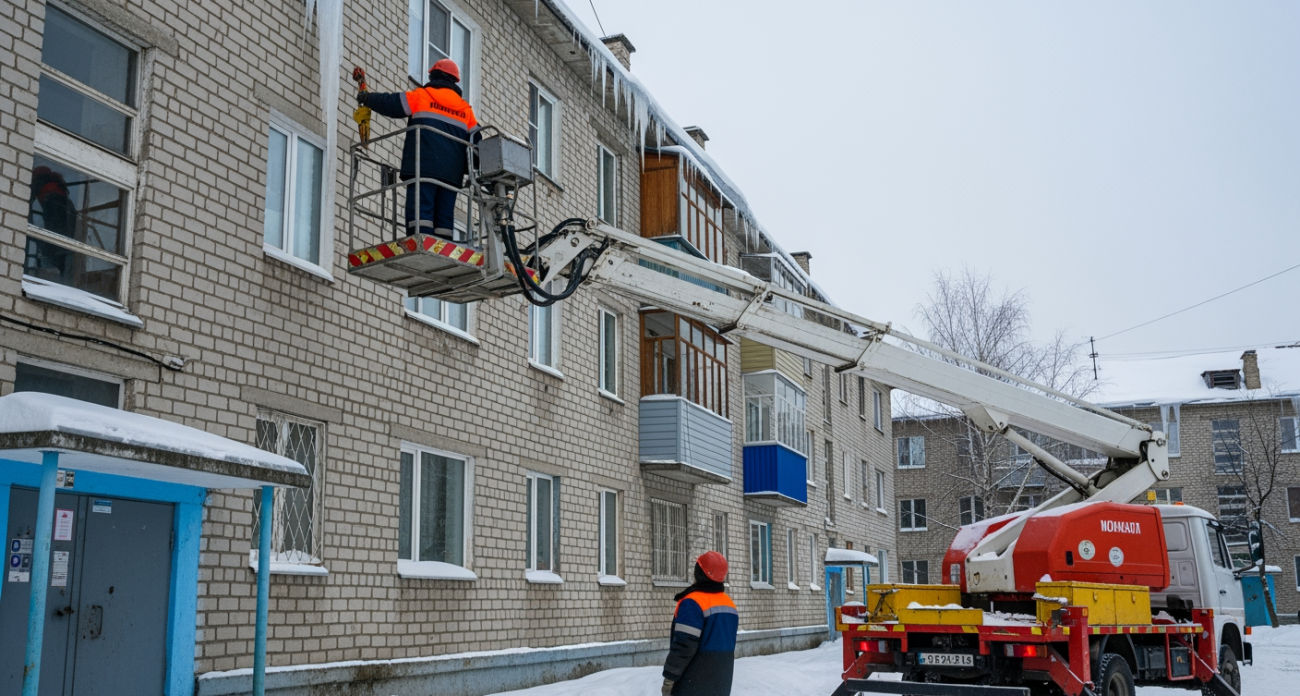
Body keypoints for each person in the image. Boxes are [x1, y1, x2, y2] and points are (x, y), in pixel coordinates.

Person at [358, 59, 478, 239]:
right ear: (455, 81)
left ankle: (420, 242)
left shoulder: (423, 95)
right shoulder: (466, 110)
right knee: (444, 216)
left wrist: (368, 99)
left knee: (421, 210)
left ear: (434, 76)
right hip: (451, 176)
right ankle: (441, 247)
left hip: (423, 167)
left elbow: (392, 103)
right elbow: (477, 145)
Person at [662, 551, 738, 696]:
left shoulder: (692, 602)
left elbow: (684, 646)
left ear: (699, 573)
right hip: (721, 683)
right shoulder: (730, 605)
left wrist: (670, 678)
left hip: (693, 683)